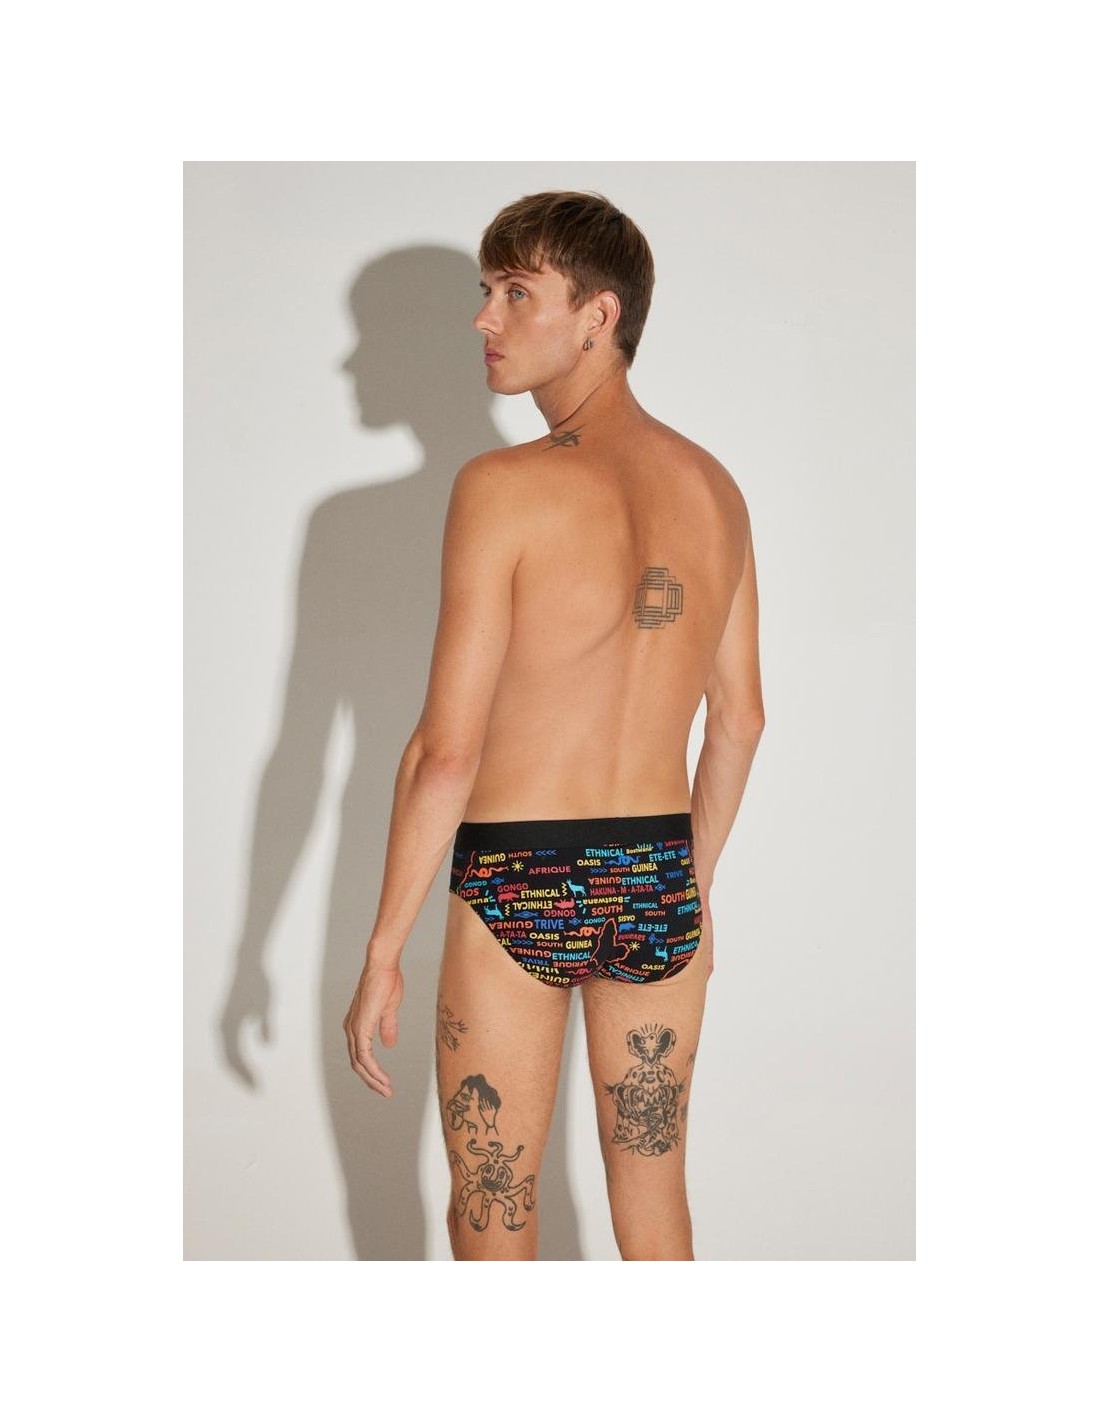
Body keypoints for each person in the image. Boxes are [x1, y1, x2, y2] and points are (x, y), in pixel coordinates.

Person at [343, 190, 765, 1261]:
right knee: (655, 1204)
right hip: (657, 879)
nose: (483, 318)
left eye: (515, 292)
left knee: (492, 1207)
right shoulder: (714, 489)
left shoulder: (500, 488)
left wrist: (383, 947)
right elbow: (740, 719)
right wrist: (690, 888)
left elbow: (446, 752)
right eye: (486, 290)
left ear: (597, 316)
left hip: (517, 874)